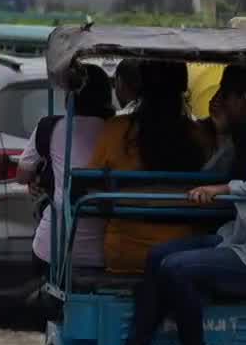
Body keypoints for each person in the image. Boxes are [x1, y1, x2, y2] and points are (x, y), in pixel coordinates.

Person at [81, 67, 246, 345]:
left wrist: (221, 189)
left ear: (243, 98)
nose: (221, 104)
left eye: (225, 96)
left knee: (176, 268)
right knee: (159, 256)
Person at [85, 59, 209, 274]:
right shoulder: (199, 135)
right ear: (183, 89)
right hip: (181, 252)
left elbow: (90, 185)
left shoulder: (116, 130)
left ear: (141, 87)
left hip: (124, 253)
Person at [19, 65, 115, 276]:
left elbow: (22, 174)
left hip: (53, 251)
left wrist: (38, 176)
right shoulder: (118, 129)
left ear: (69, 96)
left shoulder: (50, 127)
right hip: (107, 252)